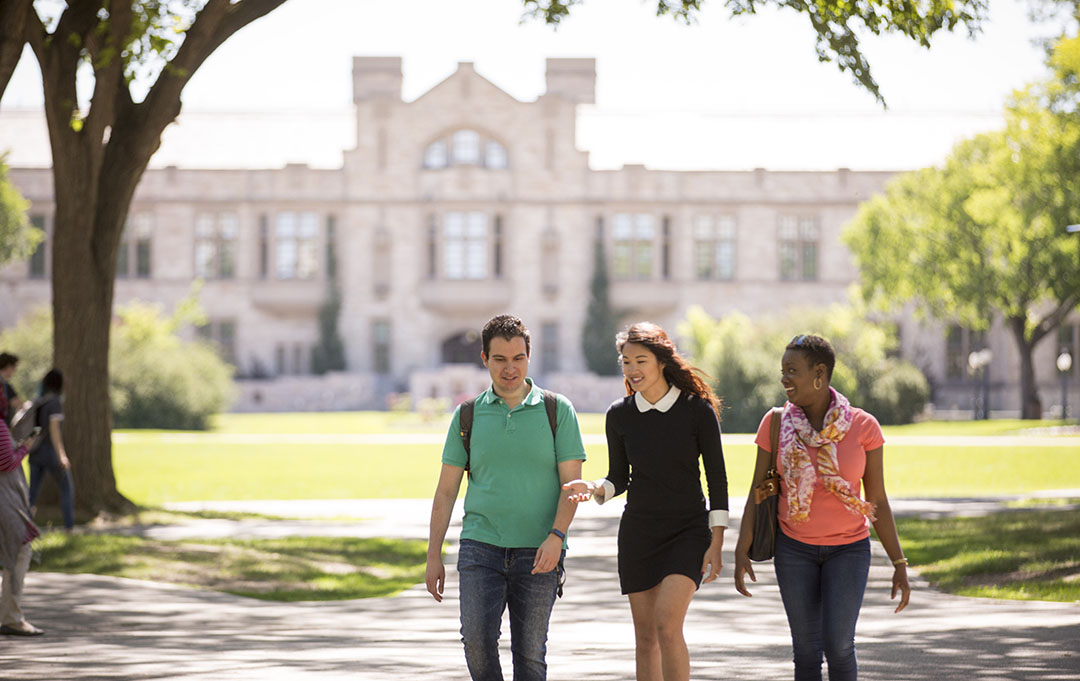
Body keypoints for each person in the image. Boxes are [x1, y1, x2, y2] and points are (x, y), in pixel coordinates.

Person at [733, 334, 911, 681]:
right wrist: (742, 548)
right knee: (806, 651)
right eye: (782, 370)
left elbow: (877, 500)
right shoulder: (775, 423)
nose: (784, 378)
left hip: (849, 550)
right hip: (793, 549)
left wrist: (899, 562)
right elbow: (758, 489)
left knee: (839, 645)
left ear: (819, 373)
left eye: (792, 370)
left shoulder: (863, 426)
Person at [563, 321, 728, 681]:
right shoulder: (618, 414)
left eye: (641, 360)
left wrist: (717, 541)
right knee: (645, 638)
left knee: (667, 625)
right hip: (639, 534)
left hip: (688, 531)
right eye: (626, 362)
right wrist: (594, 488)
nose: (632, 370)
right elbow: (619, 477)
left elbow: (717, 478)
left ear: (661, 362)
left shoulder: (697, 411)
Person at [425, 314, 587, 681]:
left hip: (540, 552)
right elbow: (446, 491)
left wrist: (556, 537)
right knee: (476, 643)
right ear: (485, 359)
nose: (510, 368)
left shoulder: (557, 410)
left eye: (518, 358)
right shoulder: (467, 415)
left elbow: (572, 487)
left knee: (530, 656)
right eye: (500, 359)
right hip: (480, 547)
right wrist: (433, 554)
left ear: (529, 357)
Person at [0, 373, 42, 636]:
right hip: (6, 500)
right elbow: (6, 463)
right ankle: (11, 616)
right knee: (19, 552)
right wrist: (25, 446)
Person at [27, 369, 74, 531]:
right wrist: (62, 455)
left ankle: (23, 527)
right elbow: (54, 431)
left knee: (31, 493)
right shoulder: (55, 403)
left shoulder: (39, 402)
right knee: (66, 487)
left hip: (35, 451)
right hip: (49, 452)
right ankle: (69, 527)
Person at [0, 353, 23, 425]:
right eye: (13, 367)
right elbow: (18, 403)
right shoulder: (4, 385)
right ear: (8, 366)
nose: (14, 371)